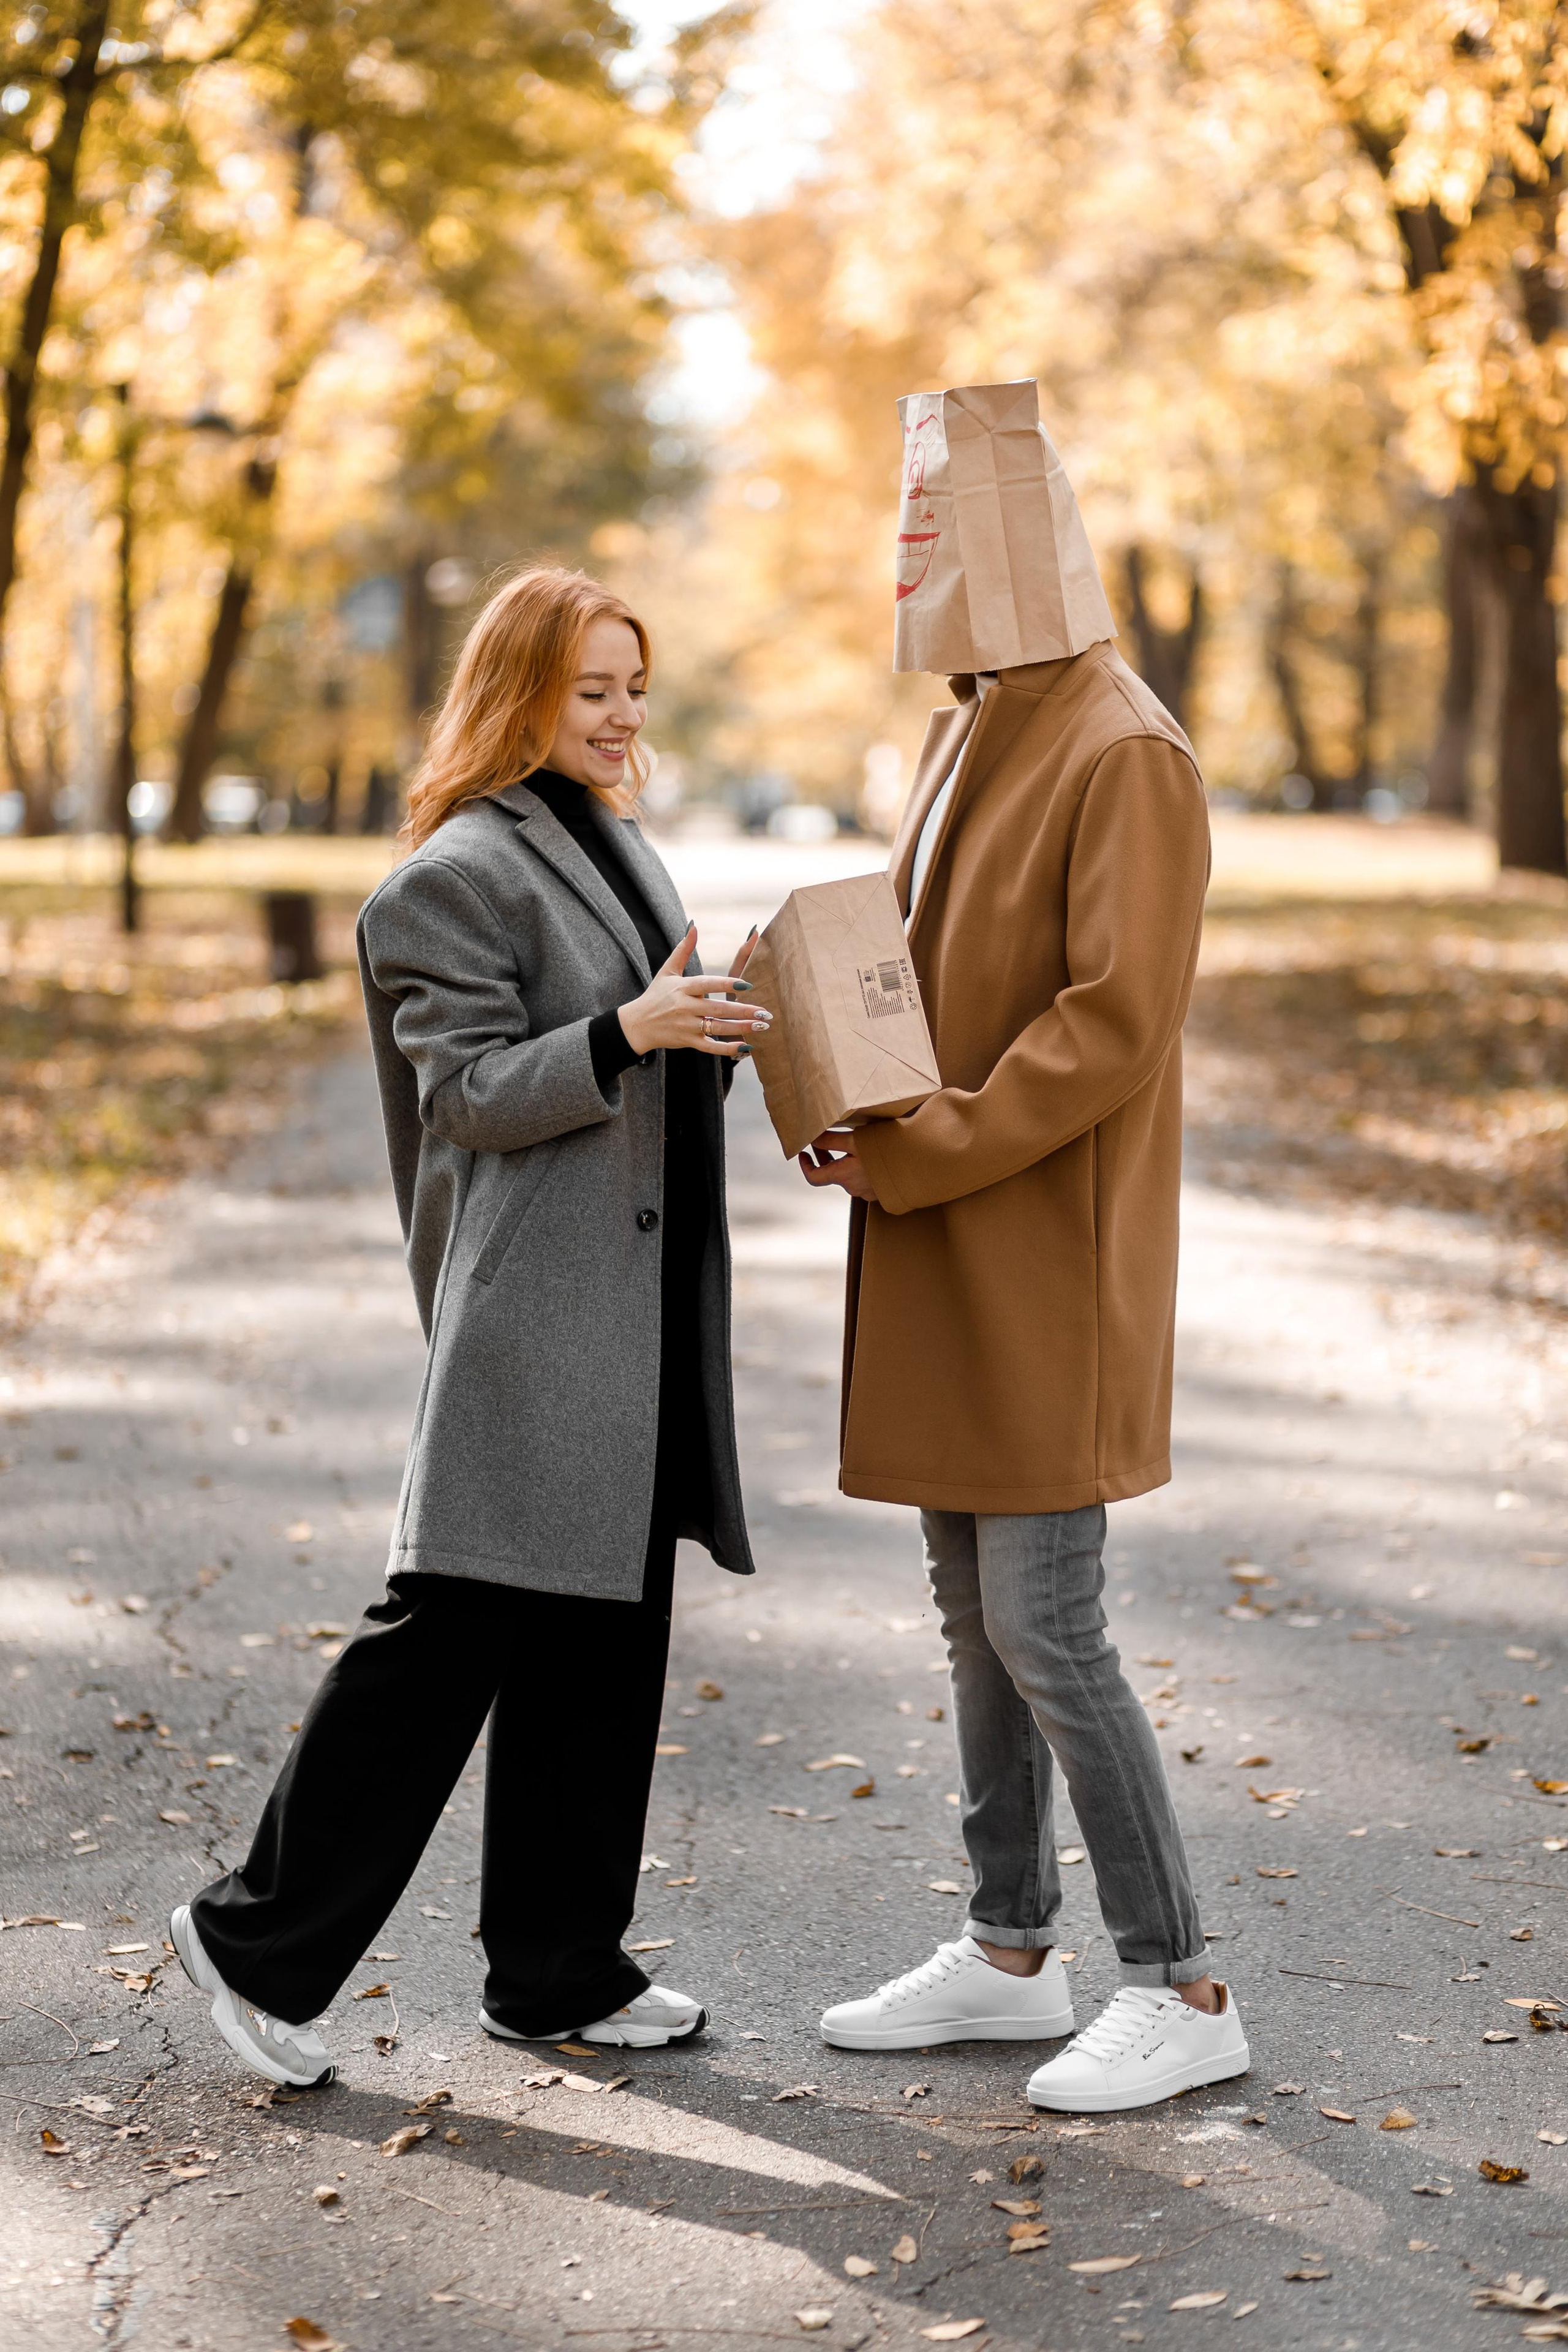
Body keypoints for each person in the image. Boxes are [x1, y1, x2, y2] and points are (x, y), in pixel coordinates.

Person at [168, 566, 768, 2087]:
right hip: (534, 1316)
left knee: (602, 1642)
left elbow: (633, 1064)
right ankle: (250, 1942)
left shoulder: (613, 841)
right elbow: (470, 1095)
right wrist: (631, 1030)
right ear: (519, 693)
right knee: (443, 1641)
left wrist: (712, 1028)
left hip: (633, 1307)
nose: (624, 713)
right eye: (592, 689)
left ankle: (557, 1969)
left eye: (636, 684)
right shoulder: (450, 874)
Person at [804, 382, 1248, 2113]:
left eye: (940, 526)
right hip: (942, 1228)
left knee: (1046, 1623)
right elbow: (920, 971)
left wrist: (935, 1145)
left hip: (1042, 1245)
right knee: (971, 1618)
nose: (918, 555)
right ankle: (1007, 1953)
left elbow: (1112, 1023)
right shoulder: (976, 721)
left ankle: (1181, 1979)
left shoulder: (1124, 745)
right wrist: (840, 1077)